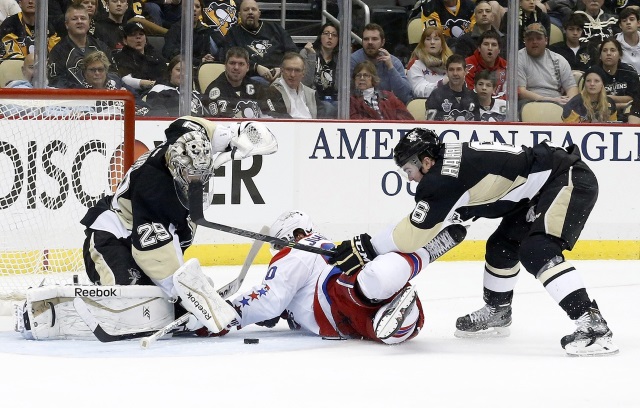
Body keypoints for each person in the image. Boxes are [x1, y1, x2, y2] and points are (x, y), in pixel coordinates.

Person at [328, 127, 619, 356]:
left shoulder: (441, 178)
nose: (411, 178)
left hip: (566, 176)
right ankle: (498, 311)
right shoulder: (449, 166)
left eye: (409, 170)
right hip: (539, 187)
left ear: (426, 161)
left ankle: (593, 324)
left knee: (538, 250)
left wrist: (367, 246)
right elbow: (446, 216)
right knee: (502, 248)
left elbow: (412, 233)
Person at [80, 116, 277, 334]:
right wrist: (194, 300)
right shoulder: (155, 190)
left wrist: (233, 134)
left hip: (148, 234)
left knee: (163, 305)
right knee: (132, 302)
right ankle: (84, 304)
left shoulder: (188, 145)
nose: (196, 180)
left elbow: (188, 125)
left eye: (201, 174)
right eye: (190, 174)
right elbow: (154, 257)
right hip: (112, 240)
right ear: (175, 166)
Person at [201, 210, 466, 344]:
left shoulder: (293, 252)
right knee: (375, 285)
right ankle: (422, 258)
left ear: (293, 235)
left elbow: (269, 299)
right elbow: (286, 299)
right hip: (364, 302)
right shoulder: (322, 247)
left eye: (279, 244)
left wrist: (227, 314)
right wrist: (287, 313)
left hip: (342, 301)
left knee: (367, 284)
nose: (278, 250)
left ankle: (423, 260)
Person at [223, 0, 298, 83]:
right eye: (246, 10)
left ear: (259, 14)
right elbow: (229, 58)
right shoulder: (233, 33)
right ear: (239, 15)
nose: (250, 12)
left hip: (282, 75)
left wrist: (282, 68)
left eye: (253, 9)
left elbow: (293, 52)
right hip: (252, 78)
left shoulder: (275, 28)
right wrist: (256, 68)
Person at [202, 46, 289, 118]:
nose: (236, 67)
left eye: (241, 64)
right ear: (225, 65)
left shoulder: (256, 87)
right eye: (232, 63)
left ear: (247, 67)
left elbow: (274, 114)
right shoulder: (214, 90)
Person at [48, 3, 114, 88]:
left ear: (89, 22)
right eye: (74, 19)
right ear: (66, 24)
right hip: (74, 99)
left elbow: (114, 73)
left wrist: (112, 83)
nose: (79, 21)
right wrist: (83, 90)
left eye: (83, 18)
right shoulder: (58, 51)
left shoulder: (101, 47)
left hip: (103, 96)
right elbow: (55, 81)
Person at [517, 23, 578, 108]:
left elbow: (571, 87)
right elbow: (521, 92)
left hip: (558, 102)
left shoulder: (558, 59)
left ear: (546, 40)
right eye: (530, 39)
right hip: (529, 103)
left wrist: (569, 100)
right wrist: (548, 100)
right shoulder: (518, 58)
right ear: (525, 41)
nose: (534, 42)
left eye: (538, 38)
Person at [350, 23, 413, 104]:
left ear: (382, 42)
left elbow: (405, 95)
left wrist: (391, 68)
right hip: (359, 105)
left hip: (387, 108)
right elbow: (346, 91)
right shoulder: (353, 60)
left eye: (374, 39)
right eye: (366, 39)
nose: (370, 42)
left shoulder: (393, 62)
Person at [163, 0, 224, 67]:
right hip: (181, 67)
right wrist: (199, 61)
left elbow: (205, 52)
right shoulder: (175, 29)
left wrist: (207, 58)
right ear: (183, 9)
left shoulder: (205, 31)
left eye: (197, 7)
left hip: (199, 68)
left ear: (201, 12)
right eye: (190, 6)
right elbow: (169, 52)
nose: (194, 9)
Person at [113, 21, 167, 94]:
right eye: (133, 34)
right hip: (137, 94)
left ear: (146, 39)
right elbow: (125, 79)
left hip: (162, 90)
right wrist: (149, 84)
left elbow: (166, 72)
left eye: (141, 34)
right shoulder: (121, 57)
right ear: (125, 40)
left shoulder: (155, 55)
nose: (138, 37)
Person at [349, 61, 414, 121]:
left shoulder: (389, 96)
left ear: (373, 78)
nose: (362, 78)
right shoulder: (351, 101)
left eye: (366, 75)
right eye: (358, 76)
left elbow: (407, 118)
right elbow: (355, 120)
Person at [300, 22, 339, 117]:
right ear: (320, 36)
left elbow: (340, 87)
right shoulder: (307, 52)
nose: (330, 37)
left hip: (334, 99)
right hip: (312, 97)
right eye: (326, 33)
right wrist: (312, 57)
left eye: (334, 35)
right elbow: (305, 82)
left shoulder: (340, 58)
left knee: (341, 107)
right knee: (328, 108)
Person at [271, 52, 325, 119]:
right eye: (289, 69)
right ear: (282, 71)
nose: (292, 75)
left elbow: (322, 120)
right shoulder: (273, 91)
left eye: (297, 70)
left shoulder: (311, 94)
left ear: (303, 73)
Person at [426, 53, 478, 121]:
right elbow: (430, 122)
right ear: (447, 72)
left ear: (465, 71)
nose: (455, 73)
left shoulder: (473, 96)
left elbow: (478, 123)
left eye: (459, 69)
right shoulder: (436, 95)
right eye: (451, 70)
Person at [406, 26, 453, 99]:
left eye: (436, 39)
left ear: (442, 43)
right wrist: (441, 84)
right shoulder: (415, 64)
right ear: (423, 43)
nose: (432, 42)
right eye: (428, 39)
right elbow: (418, 91)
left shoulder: (452, 62)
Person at [596, 37, 640, 113]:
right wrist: (623, 102)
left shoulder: (629, 72)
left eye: (612, 50)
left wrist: (609, 98)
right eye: (605, 50)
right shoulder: (594, 73)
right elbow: (591, 99)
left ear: (620, 55)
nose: (608, 53)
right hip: (600, 113)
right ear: (600, 55)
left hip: (629, 113)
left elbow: (634, 99)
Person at [464, 30, 507, 98]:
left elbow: (513, 91)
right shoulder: (468, 64)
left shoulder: (506, 66)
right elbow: (468, 91)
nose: (490, 48)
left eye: (494, 45)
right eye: (486, 44)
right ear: (479, 48)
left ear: (499, 50)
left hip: (499, 104)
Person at [615, 7, 640, 74]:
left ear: (638, 23)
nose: (628, 22)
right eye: (624, 20)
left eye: (631, 19)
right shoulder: (614, 43)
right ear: (620, 25)